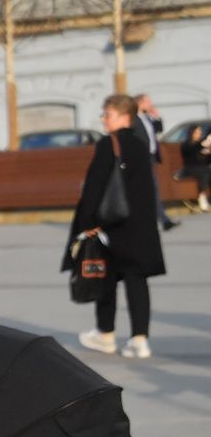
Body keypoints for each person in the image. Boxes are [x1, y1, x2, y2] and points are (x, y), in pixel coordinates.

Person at [70, 95, 164, 360]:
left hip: (113, 224)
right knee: (137, 280)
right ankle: (140, 340)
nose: (103, 119)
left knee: (106, 277)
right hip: (140, 225)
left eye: (107, 114)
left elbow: (95, 188)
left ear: (124, 116)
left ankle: (106, 334)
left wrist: (87, 223)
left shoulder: (108, 144)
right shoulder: (140, 144)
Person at [134, 95, 178, 231]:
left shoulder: (146, 117)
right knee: (149, 189)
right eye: (148, 101)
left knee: (152, 189)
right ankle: (161, 220)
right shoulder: (133, 119)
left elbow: (158, 129)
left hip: (151, 157)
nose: (151, 104)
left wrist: (157, 117)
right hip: (141, 158)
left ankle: (162, 219)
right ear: (140, 103)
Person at [181, 125, 211, 212]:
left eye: (200, 132)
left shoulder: (201, 143)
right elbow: (193, 157)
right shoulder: (186, 145)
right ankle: (202, 197)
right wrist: (203, 151)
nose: (199, 134)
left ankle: (203, 197)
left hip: (201, 168)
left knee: (206, 170)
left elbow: (206, 160)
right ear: (191, 133)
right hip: (189, 168)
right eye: (197, 132)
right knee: (204, 171)